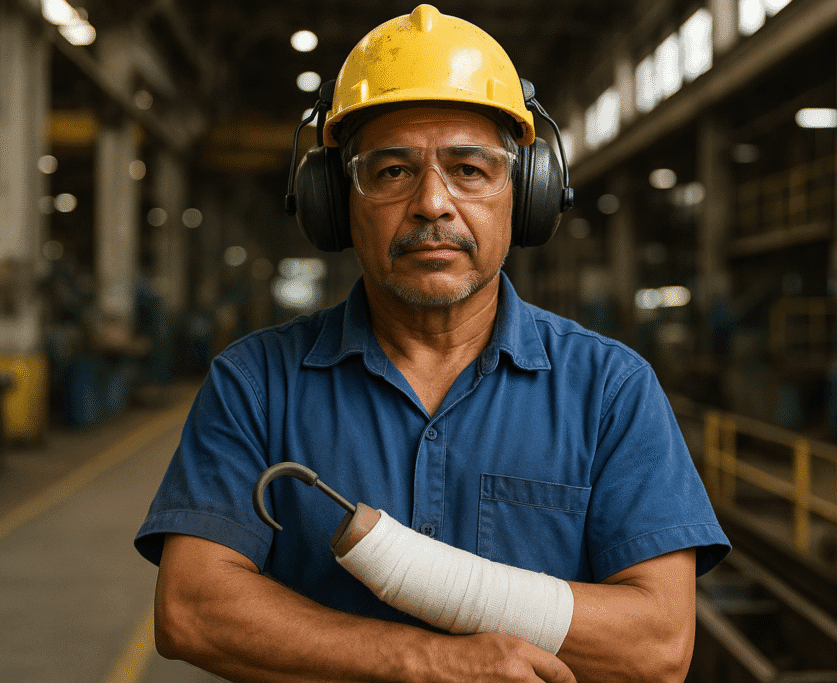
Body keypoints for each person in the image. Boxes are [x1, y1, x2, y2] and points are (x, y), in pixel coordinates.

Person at [135, 6, 730, 682]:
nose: (433, 203)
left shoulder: (610, 390)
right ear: (334, 200)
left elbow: (656, 644)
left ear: (527, 195)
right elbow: (191, 610)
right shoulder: (256, 382)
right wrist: (429, 660)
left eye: (470, 169)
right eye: (391, 171)